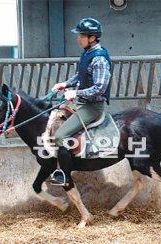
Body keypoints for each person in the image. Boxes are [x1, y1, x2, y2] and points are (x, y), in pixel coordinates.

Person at [50, 17, 112, 186]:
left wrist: (76, 93)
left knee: (60, 135)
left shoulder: (99, 59)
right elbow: (81, 75)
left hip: (92, 106)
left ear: (92, 37)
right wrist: (65, 84)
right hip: (81, 100)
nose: (78, 38)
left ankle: (63, 174)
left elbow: (99, 88)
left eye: (82, 35)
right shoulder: (87, 54)